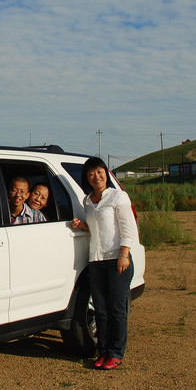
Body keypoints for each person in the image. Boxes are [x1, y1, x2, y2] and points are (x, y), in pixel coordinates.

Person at [71, 157, 137, 370]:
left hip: (118, 259)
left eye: (99, 172)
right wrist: (84, 225)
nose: (96, 177)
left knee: (117, 309)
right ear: (86, 178)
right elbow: (100, 228)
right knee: (101, 310)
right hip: (97, 260)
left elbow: (127, 228)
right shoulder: (88, 201)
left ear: (105, 173)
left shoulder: (118, 196)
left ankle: (116, 353)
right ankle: (104, 350)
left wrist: (124, 254)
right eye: (91, 174)